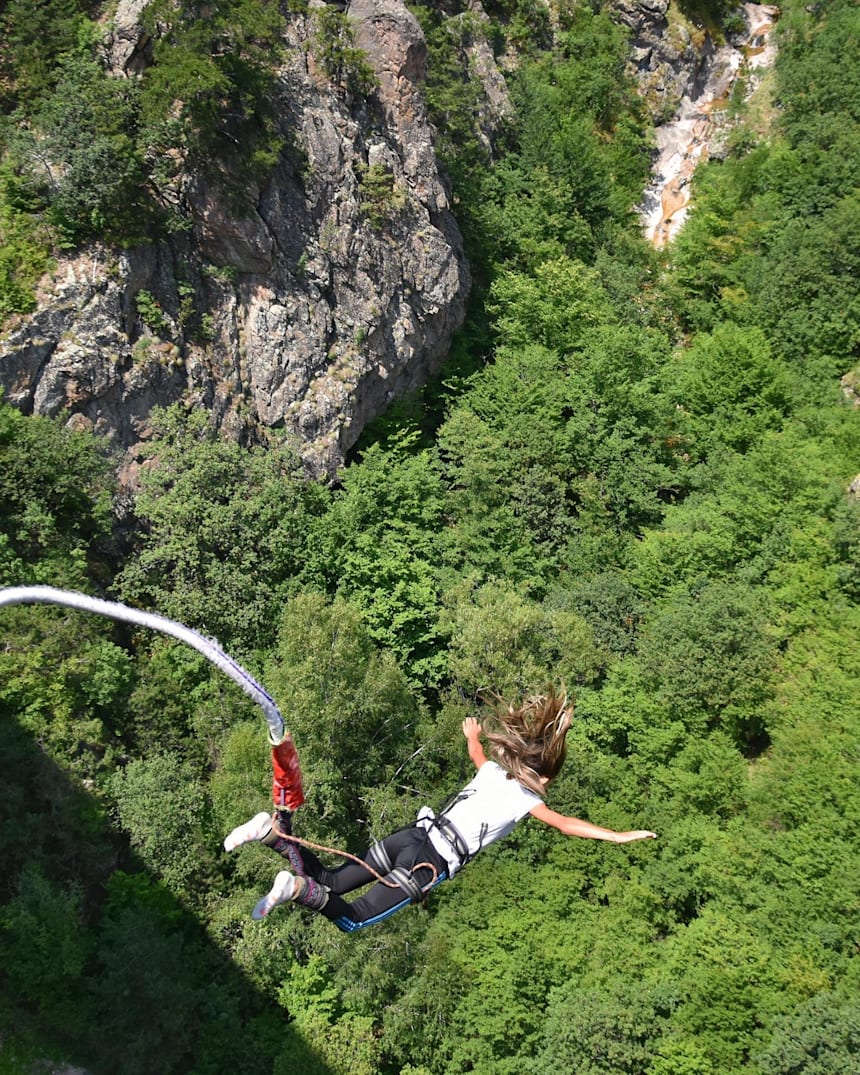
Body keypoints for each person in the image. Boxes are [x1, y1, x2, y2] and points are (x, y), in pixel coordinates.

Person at [223, 690, 656, 932]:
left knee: (331, 879)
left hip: (411, 837)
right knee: (352, 920)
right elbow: (565, 825)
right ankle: (294, 889)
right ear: (543, 778)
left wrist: (474, 733)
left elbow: (475, 751)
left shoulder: (492, 771)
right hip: (430, 864)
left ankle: (271, 835)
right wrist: (616, 836)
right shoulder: (527, 799)